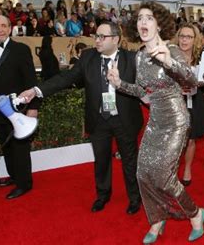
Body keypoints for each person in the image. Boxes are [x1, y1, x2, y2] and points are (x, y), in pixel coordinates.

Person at [110, 2, 204, 243]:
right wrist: (119, 83)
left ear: (159, 25)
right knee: (143, 173)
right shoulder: (139, 56)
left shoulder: (171, 49)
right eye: (140, 18)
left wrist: (169, 62)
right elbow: (143, 91)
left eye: (149, 18)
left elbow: (191, 80)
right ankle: (156, 220)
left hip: (176, 121)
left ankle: (196, 214)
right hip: (155, 121)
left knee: (164, 177)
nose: (143, 22)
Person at [19, 21, 142, 215]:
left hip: (124, 119)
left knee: (130, 161)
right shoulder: (87, 57)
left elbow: (145, 87)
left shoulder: (133, 59)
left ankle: (135, 198)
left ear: (116, 39)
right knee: (101, 161)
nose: (97, 40)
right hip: (98, 118)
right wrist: (36, 90)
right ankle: (103, 195)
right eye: (96, 36)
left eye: (103, 36)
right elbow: (64, 79)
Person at [0, 15, 40, 199]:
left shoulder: (20, 49)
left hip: (18, 108)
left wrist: (33, 107)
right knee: (6, 144)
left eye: (3, 26)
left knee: (19, 147)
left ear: (9, 28)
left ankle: (24, 184)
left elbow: (31, 80)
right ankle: (14, 177)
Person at [176, 23, 204, 186]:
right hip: (174, 102)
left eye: (189, 37)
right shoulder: (170, 57)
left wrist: (203, 83)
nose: (184, 40)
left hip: (194, 100)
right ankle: (171, 171)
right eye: (182, 36)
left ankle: (187, 169)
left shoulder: (201, 59)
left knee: (191, 139)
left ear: (195, 40)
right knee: (175, 141)